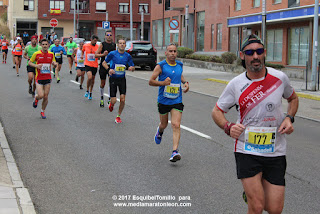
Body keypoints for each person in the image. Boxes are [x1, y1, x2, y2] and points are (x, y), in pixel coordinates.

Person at [211, 34, 299, 214]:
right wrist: (228, 127)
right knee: (257, 206)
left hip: (275, 149)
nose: (255, 56)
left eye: (259, 51)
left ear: (264, 53)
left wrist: (289, 117)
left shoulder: (280, 78)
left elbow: (293, 98)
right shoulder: (236, 84)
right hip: (247, 149)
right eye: (250, 53)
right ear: (242, 56)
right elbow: (217, 111)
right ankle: (252, 196)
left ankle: (250, 194)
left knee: (275, 209)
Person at [148, 43, 189, 162]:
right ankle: (160, 131)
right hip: (163, 100)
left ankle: (175, 151)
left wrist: (185, 83)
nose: (173, 53)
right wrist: (163, 83)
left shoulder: (180, 64)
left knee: (176, 124)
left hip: (177, 100)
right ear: (165, 53)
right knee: (164, 124)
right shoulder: (160, 66)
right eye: (170, 51)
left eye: (175, 51)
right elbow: (150, 81)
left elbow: (179, 75)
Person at [102, 39, 135, 124]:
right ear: (117, 45)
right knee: (114, 100)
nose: (122, 45)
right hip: (113, 78)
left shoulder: (127, 56)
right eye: (120, 43)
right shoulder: (112, 54)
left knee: (123, 100)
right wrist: (109, 70)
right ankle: (111, 104)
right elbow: (104, 63)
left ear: (125, 45)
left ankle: (118, 116)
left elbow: (132, 66)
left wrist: (132, 68)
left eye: (123, 43)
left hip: (122, 79)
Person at [28, 39, 57, 119]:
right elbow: (30, 62)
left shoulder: (51, 54)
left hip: (48, 78)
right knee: (40, 95)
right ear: (41, 45)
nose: (44, 46)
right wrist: (36, 66)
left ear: (48, 45)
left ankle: (42, 111)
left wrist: (55, 64)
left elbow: (54, 62)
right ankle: (36, 98)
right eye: (43, 44)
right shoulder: (36, 54)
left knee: (46, 96)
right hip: (39, 78)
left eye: (46, 44)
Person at [95, 31, 116, 107]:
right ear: (105, 36)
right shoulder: (102, 44)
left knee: (111, 82)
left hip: (111, 66)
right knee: (102, 83)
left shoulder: (114, 45)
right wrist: (103, 54)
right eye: (108, 35)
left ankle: (110, 98)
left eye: (110, 35)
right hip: (103, 66)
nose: (109, 36)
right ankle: (101, 97)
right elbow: (96, 55)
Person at [82, 35, 99, 100]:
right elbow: (82, 50)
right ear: (91, 39)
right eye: (94, 40)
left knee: (93, 79)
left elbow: (99, 54)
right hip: (87, 64)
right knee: (90, 77)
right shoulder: (86, 45)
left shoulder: (98, 47)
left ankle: (91, 92)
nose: (95, 42)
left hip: (95, 65)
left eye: (96, 41)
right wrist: (81, 55)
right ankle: (87, 90)